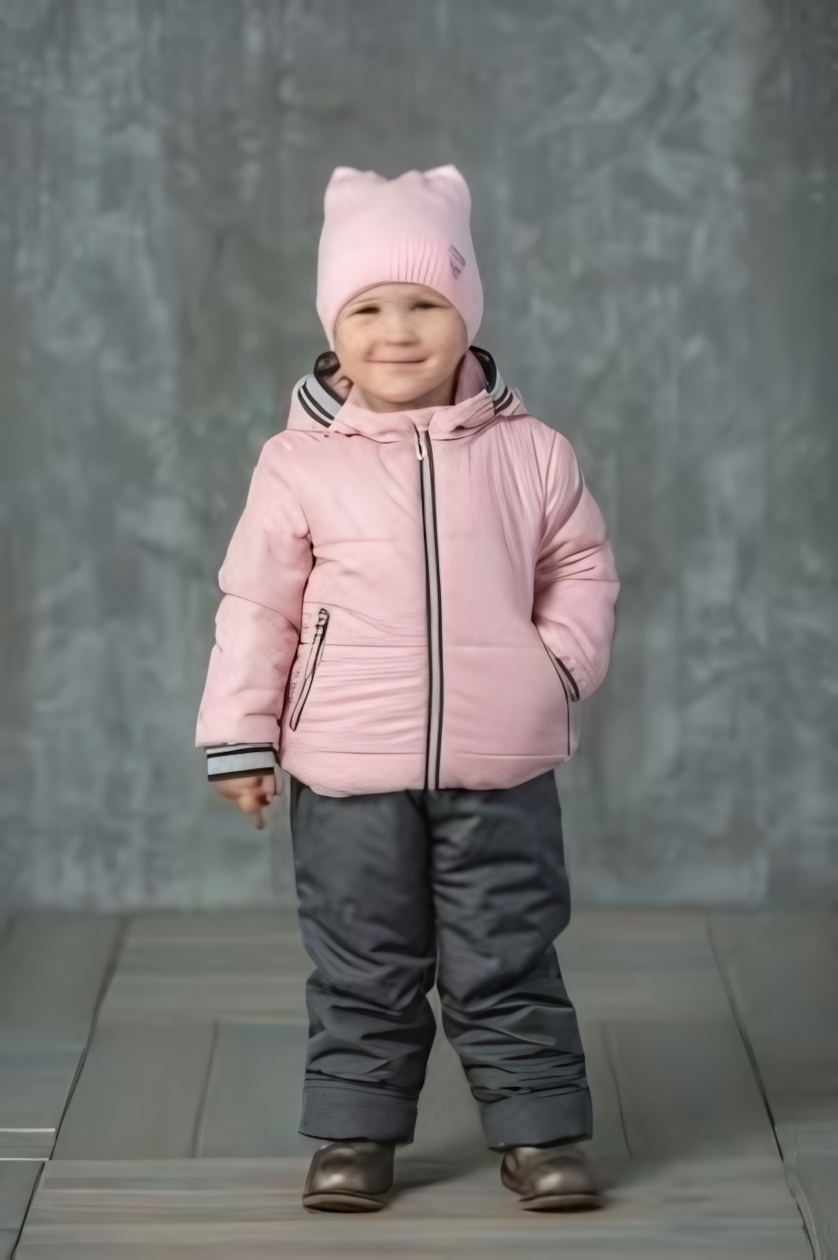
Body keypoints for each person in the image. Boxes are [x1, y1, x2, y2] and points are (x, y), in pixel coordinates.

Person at [196, 164, 620, 1213]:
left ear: (466, 312)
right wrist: (241, 738)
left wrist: (556, 666)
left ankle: (539, 1133)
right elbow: (257, 606)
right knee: (362, 958)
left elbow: (581, 568)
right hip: (346, 770)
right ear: (333, 328)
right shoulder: (298, 464)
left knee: (507, 951)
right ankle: (355, 1135)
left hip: (500, 764)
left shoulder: (532, 453)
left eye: (424, 303)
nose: (397, 331)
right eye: (368, 308)